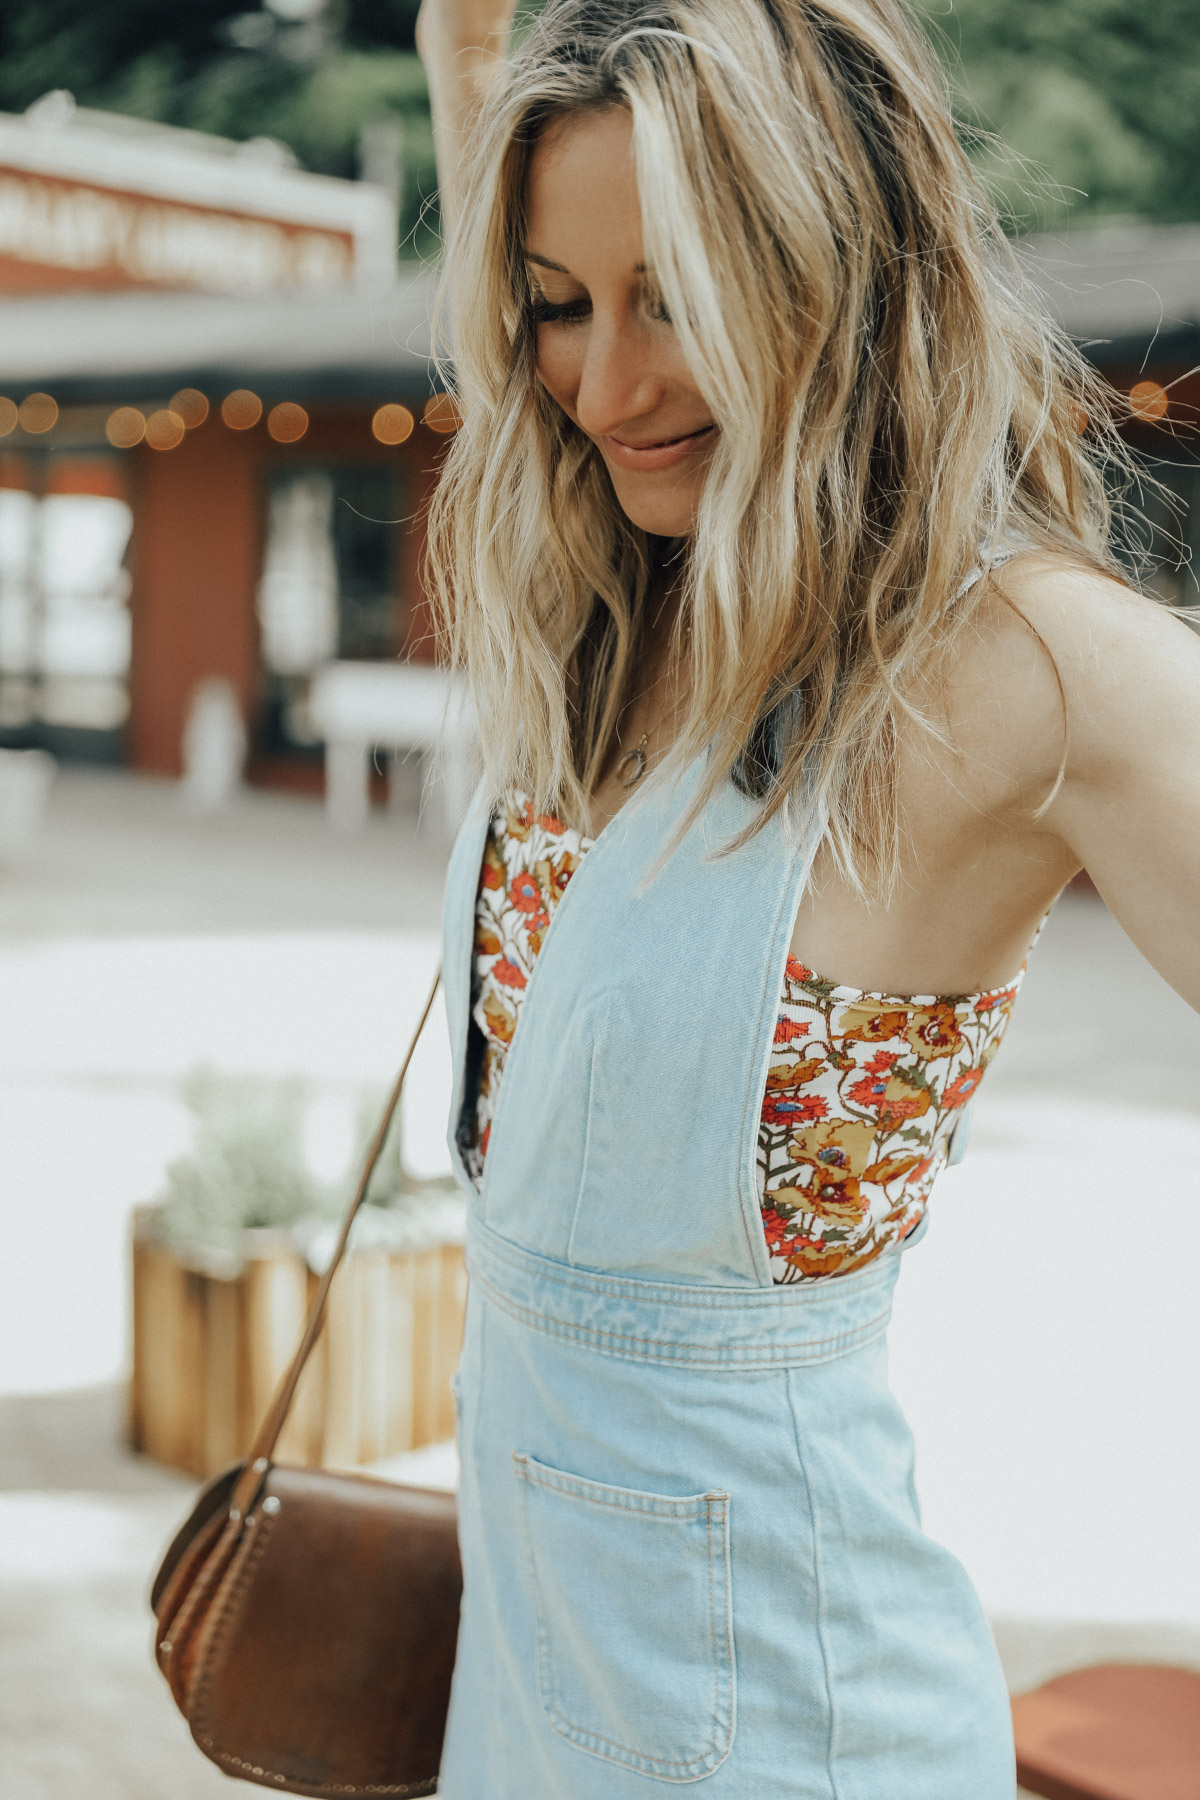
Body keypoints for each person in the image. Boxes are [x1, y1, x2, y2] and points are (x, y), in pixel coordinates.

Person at [414, 1, 1200, 1792]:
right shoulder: (622, 615)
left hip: (789, 1733)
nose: (605, 385)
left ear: (834, 271)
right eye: (555, 303)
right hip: (521, 1713)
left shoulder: (1025, 665)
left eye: (676, 294)